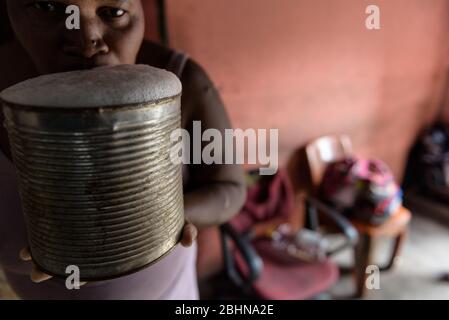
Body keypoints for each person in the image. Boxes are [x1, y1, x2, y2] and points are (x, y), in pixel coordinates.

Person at [0, 0, 246, 299]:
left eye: (113, 11)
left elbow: (230, 189)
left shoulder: (184, 83)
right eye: (49, 7)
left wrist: (158, 219)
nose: (86, 40)